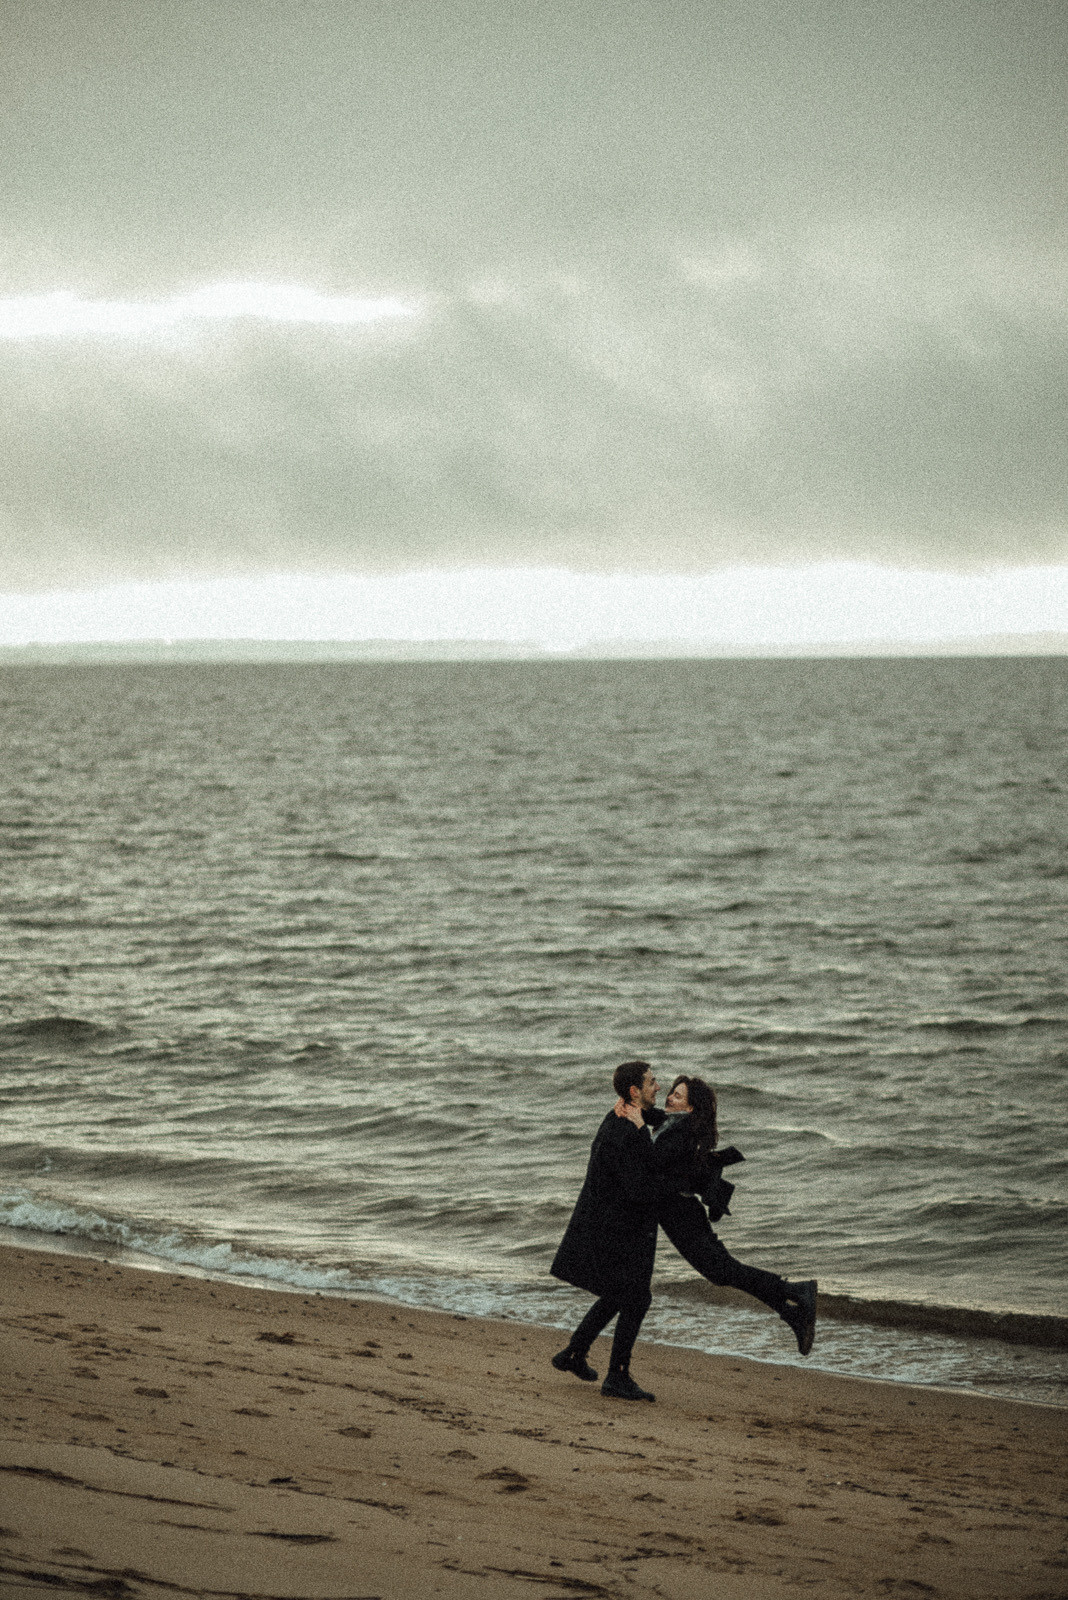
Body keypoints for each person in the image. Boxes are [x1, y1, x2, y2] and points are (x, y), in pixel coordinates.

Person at [636, 1074, 817, 1355]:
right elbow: (651, 1114)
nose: (670, 1097)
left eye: (678, 1096)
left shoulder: (682, 1132)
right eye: (671, 1092)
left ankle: (795, 1291)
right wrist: (631, 1104)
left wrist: (637, 1128)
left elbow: (654, 1164)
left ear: (690, 1108)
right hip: (683, 1212)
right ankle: (790, 1313)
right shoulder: (671, 1123)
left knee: (722, 1271)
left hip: (680, 1214)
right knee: (724, 1270)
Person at [550, 1060, 675, 1401]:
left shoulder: (620, 1117)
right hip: (617, 1231)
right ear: (634, 1092)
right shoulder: (624, 1132)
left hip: (612, 1227)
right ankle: (616, 1376)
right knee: (636, 1297)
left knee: (623, 1295)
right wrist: (641, 1133)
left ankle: (574, 1353)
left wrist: (650, 1122)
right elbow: (641, 1185)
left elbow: (653, 1125)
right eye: (652, 1083)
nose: (658, 1088)